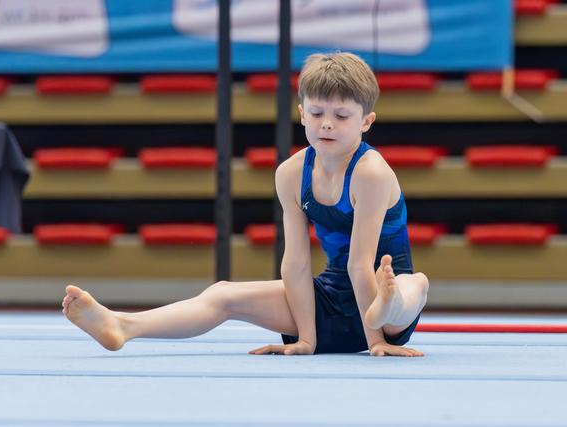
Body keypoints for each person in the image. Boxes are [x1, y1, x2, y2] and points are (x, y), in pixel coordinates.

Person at [62, 52, 429, 357]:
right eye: (317, 114)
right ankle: (123, 325)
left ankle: (388, 303)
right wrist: (307, 338)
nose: (327, 125)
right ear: (302, 114)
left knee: (415, 284)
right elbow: (296, 263)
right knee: (223, 293)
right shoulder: (291, 173)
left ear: (366, 121)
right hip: (328, 300)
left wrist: (377, 340)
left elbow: (359, 263)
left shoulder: (371, 173)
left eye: (341, 116)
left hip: (386, 307)